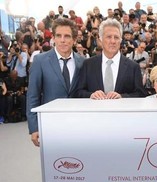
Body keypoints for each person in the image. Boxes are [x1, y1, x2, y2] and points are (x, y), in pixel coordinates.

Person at [26, 18, 85, 147]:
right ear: (53, 38)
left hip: (79, 125)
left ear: (74, 39)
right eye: (58, 36)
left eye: (67, 36)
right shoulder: (40, 61)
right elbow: (32, 95)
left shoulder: (83, 62)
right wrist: (34, 127)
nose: (62, 40)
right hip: (50, 124)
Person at [75, 18, 147, 99]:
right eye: (109, 37)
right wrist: (91, 95)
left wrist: (122, 97)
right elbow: (78, 92)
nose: (113, 41)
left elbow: (140, 94)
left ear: (120, 40)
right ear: (100, 39)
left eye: (116, 37)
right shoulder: (88, 65)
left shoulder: (133, 67)